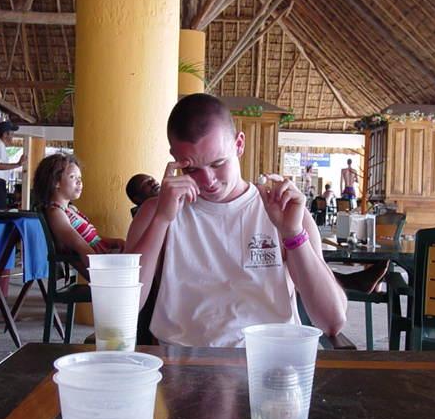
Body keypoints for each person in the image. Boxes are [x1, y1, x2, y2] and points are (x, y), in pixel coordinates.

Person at [125, 93, 347, 347]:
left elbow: (332, 322)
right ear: (174, 158)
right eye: (191, 168)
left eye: (218, 163)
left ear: (239, 144)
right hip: (184, 362)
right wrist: (162, 220)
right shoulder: (155, 213)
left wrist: (293, 234)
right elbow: (126, 308)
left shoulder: (283, 210)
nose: (208, 181)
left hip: (270, 357)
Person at [33, 153, 125, 272]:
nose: (79, 182)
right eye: (72, 177)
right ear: (55, 182)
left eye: (80, 178)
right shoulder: (56, 213)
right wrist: (103, 273)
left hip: (102, 257)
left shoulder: (71, 209)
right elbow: (80, 245)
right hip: (98, 266)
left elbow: (94, 239)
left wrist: (116, 242)